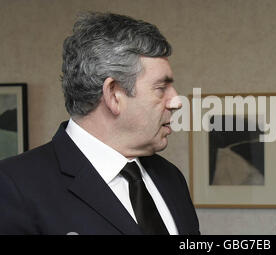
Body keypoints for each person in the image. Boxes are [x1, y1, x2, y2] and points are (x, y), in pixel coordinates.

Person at [0, 12, 199, 235]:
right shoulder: (13, 186)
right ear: (114, 94)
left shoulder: (170, 177)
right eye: (161, 88)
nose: (176, 101)